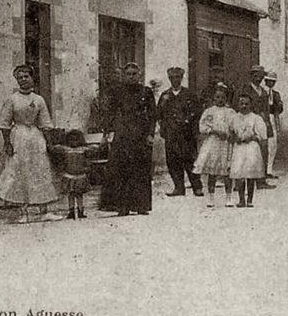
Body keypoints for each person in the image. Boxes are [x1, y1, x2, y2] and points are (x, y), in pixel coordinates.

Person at [0, 65, 61, 223]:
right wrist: (8, 143)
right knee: (20, 172)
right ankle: (22, 212)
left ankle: (44, 210)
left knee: (40, 170)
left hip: (35, 138)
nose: (23, 80)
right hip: (19, 137)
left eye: (26, 76)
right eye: (20, 77)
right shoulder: (12, 100)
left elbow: (45, 122)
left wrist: (49, 143)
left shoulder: (39, 100)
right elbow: (4, 123)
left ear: (32, 78)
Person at [101, 62, 157, 217]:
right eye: (128, 74)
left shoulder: (146, 92)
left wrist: (151, 134)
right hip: (123, 133)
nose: (131, 77)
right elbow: (110, 113)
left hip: (141, 133)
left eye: (134, 74)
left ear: (139, 75)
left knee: (141, 169)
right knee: (122, 170)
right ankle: (123, 206)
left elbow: (153, 115)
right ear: (124, 76)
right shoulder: (117, 92)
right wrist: (108, 133)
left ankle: (142, 205)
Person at [158, 66, 203, 197]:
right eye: (172, 78)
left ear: (182, 78)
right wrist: (164, 127)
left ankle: (197, 186)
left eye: (178, 77)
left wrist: (189, 121)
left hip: (186, 134)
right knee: (173, 160)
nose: (175, 80)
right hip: (171, 134)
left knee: (190, 160)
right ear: (169, 79)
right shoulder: (165, 95)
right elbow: (159, 113)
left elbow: (197, 111)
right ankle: (178, 187)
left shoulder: (189, 94)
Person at [194, 84, 237, 208]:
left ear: (226, 99)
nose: (220, 100)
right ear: (213, 98)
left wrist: (230, 134)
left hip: (225, 143)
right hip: (213, 143)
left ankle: (228, 197)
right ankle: (211, 198)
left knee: (227, 171)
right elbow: (203, 126)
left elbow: (235, 125)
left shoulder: (230, 112)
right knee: (212, 171)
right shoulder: (209, 111)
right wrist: (214, 131)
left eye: (223, 97)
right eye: (217, 97)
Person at [229, 92, 269, 208]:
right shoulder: (234, 118)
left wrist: (252, 137)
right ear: (238, 105)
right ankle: (241, 199)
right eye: (242, 104)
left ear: (251, 105)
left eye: (247, 104)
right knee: (239, 173)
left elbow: (261, 135)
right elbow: (230, 132)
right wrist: (235, 137)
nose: (244, 106)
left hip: (251, 148)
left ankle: (250, 199)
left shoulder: (255, 118)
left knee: (250, 174)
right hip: (239, 148)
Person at [246, 65, 276, 190]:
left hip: (261, 125)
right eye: (256, 75)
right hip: (248, 124)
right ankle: (245, 181)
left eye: (261, 76)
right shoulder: (245, 90)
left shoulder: (263, 92)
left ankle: (261, 180)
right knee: (247, 152)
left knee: (263, 151)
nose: (258, 78)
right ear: (252, 75)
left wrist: (268, 125)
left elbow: (267, 110)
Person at [61, 130, 90, 220]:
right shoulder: (67, 150)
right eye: (71, 140)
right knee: (72, 194)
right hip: (72, 175)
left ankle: (79, 210)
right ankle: (72, 211)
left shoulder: (81, 150)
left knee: (78, 194)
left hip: (76, 175)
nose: (74, 142)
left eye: (76, 140)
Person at [263, 71, 284, 179]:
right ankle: (261, 170)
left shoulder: (276, 94)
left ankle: (269, 170)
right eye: (269, 81)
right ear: (265, 81)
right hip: (262, 118)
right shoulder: (261, 92)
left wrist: (279, 106)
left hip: (272, 118)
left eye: (273, 82)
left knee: (272, 144)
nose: (271, 83)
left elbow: (279, 109)